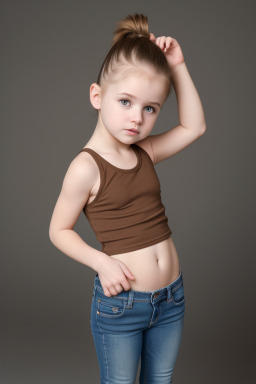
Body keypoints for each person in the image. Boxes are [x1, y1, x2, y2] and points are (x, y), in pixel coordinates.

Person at [49, 13, 206, 384]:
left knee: (160, 380)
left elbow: (194, 127)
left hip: (172, 298)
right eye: (125, 101)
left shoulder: (144, 152)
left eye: (150, 108)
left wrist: (178, 67)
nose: (137, 118)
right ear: (97, 96)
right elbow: (58, 230)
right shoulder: (85, 167)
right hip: (123, 305)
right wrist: (101, 263)